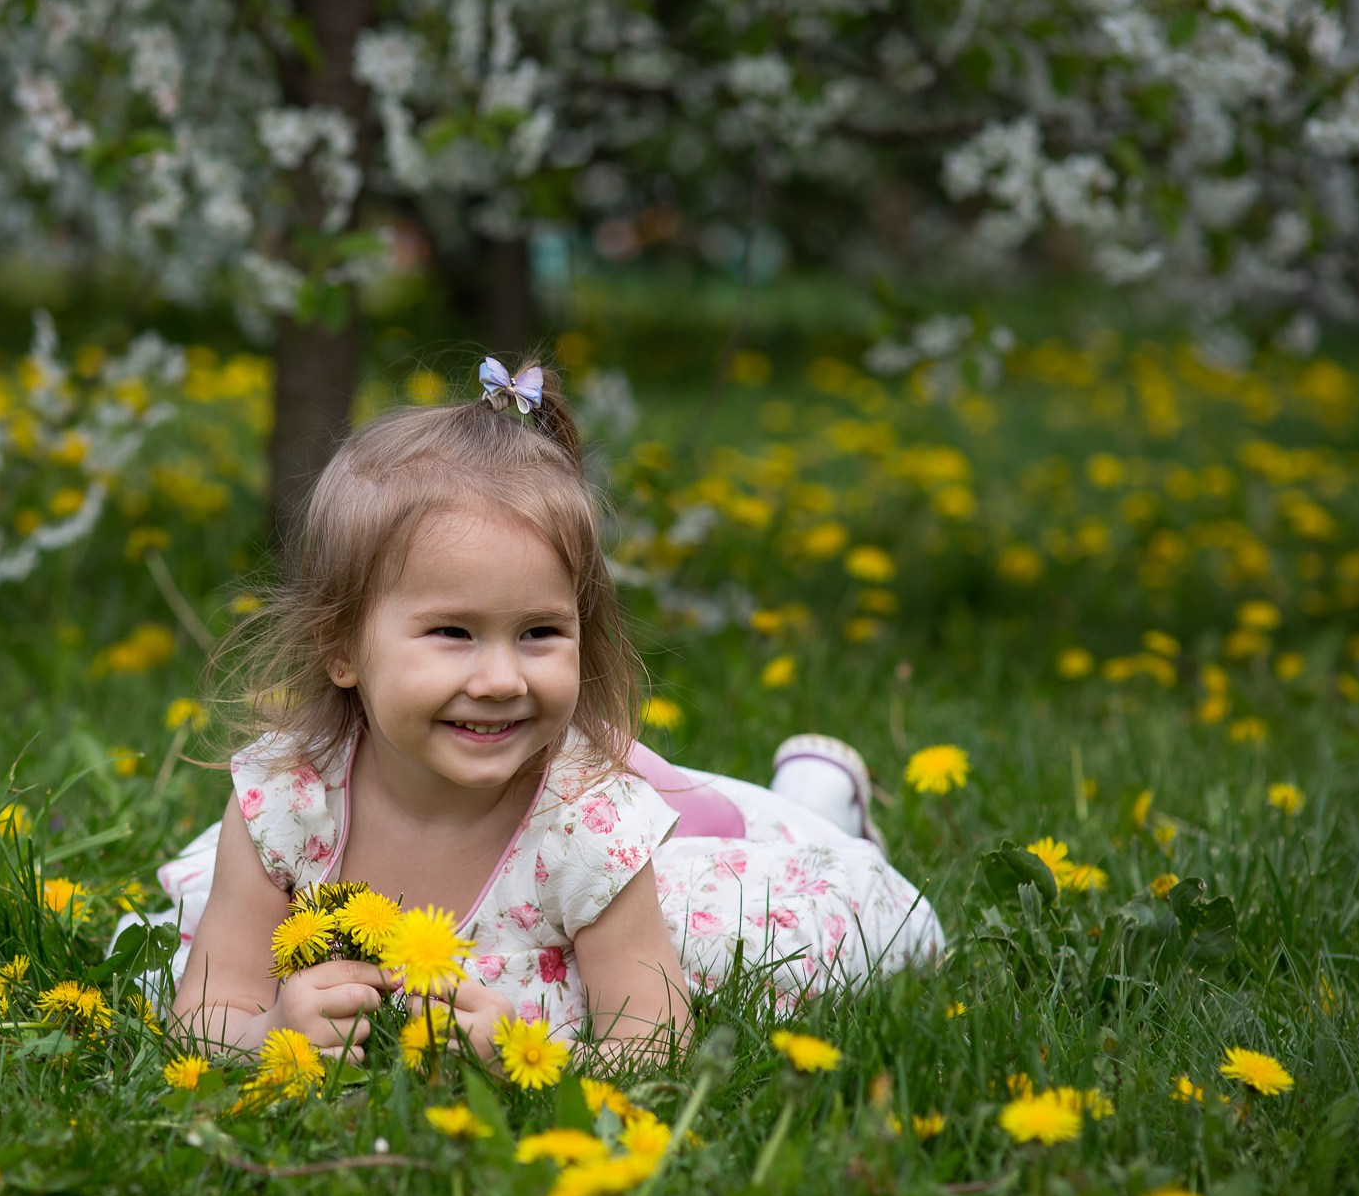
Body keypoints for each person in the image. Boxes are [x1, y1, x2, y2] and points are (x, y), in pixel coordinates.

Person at [148, 358, 944, 1070]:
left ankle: (819, 805)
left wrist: (530, 1053)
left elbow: (652, 1038)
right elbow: (207, 1015)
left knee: (774, 902)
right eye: (453, 633)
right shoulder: (285, 800)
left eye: (539, 634)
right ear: (342, 648)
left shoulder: (587, 825)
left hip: (647, 872)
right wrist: (273, 1032)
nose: (501, 679)